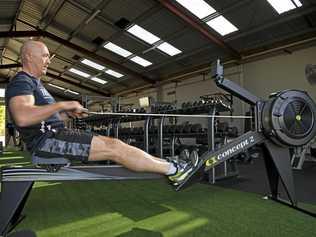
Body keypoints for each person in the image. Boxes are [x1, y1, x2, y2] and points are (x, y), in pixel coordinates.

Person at [5, 40, 198, 186]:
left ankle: (168, 165)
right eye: (45, 55)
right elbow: (23, 117)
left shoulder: (35, 84)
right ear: (29, 57)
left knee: (115, 144)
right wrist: (62, 105)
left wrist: (67, 114)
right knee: (115, 149)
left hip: (55, 136)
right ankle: (176, 170)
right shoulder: (23, 81)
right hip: (49, 142)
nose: (48, 60)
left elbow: (40, 118)